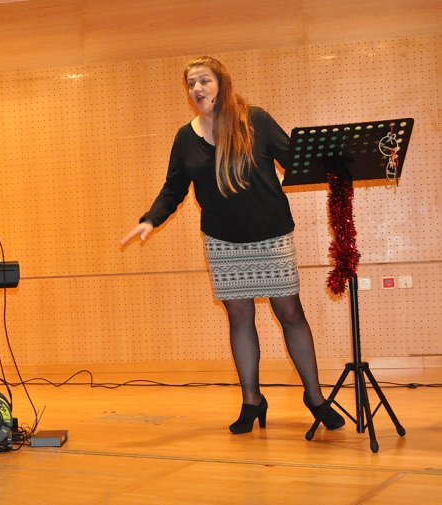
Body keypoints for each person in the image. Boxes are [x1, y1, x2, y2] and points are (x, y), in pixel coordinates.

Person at [120, 56, 344, 434]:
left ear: (220, 82)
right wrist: (149, 220)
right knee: (239, 318)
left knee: (290, 313)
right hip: (223, 242)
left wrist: (335, 161)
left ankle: (315, 397)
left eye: (204, 81)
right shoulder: (184, 137)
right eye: (191, 84)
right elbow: (173, 188)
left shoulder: (254, 120)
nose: (197, 89)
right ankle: (252, 401)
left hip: (272, 234)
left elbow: (294, 160)